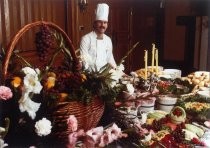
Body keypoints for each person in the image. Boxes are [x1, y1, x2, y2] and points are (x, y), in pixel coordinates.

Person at [79, 3, 116, 72]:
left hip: (106, 75)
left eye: (105, 22)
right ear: (95, 23)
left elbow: (110, 58)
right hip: (90, 75)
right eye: (100, 22)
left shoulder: (108, 40)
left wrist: (118, 71)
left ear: (107, 25)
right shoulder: (86, 39)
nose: (103, 25)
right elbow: (84, 59)